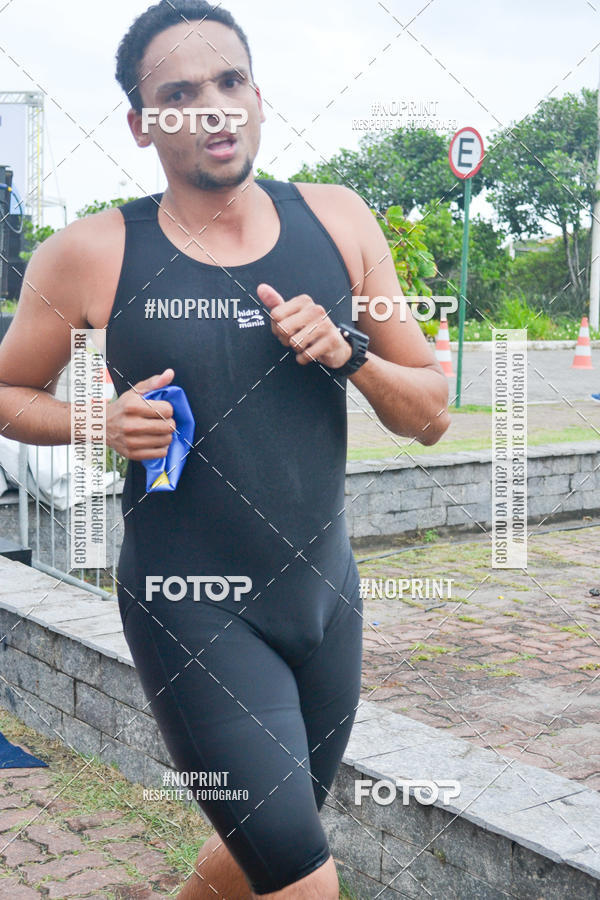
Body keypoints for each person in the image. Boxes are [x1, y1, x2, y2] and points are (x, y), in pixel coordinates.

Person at [0, 1, 450, 896]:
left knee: (266, 855)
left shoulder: (342, 223)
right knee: (306, 880)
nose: (212, 109)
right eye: (178, 94)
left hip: (326, 603)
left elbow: (431, 411)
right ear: (140, 124)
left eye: (229, 82)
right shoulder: (89, 254)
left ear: (256, 95)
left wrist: (350, 353)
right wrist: (98, 422)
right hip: (191, 610)